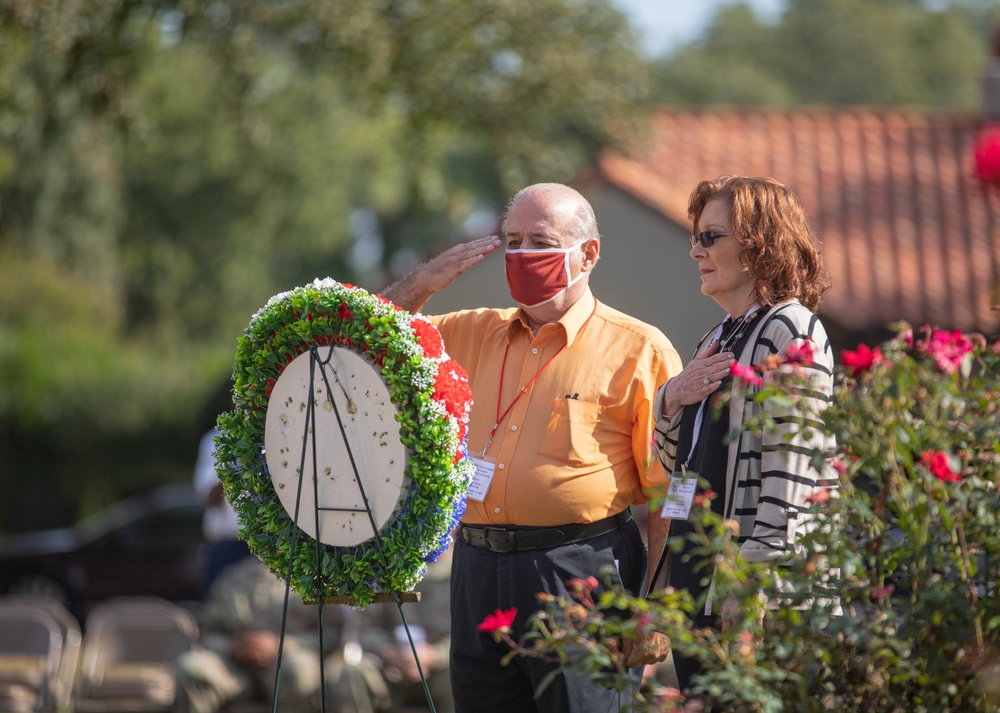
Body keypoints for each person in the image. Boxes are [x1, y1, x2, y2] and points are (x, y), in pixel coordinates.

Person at [381, 182, 683, 713]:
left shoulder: (639, 348)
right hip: (477, 569)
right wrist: (422, 283)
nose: (522, 255)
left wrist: (655, 609)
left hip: (580, 569)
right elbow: (364, 334)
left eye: (540, 241)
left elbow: (670, 497)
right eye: (512, 240)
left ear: (588, 253)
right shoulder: (472, 331)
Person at [649, 176, 837, 695]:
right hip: (697, 582)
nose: (695, 251)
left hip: (746, 588)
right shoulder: (718, 335)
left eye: (711, 237)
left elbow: (793, 465)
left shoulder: (789, 328)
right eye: (695, 238)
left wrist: (753, 578)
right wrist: (670, 399)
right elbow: (674, 463)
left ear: (759, 244)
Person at [174, 556, 389, 713]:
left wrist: (282, 645)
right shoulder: (234, 577)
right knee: (191, 667)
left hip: (290, 664)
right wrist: (232, 646)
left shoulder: (315, 577)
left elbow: (335, 637)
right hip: (236, 668)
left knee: (298, 671)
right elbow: (209, 630)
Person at [194, 382, 251, 598]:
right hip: (230, 547)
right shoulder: (215, 440)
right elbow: (210, 498)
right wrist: (235, 461)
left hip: (269, 549)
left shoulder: (276, 441)